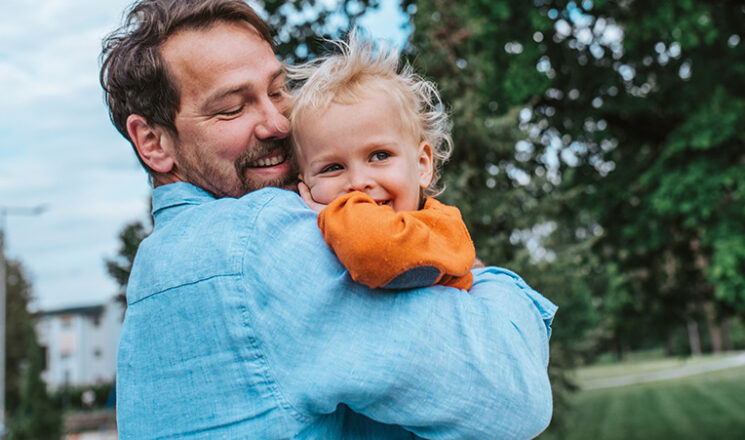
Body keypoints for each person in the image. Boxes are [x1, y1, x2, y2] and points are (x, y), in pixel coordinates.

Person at [100, 0, 557, 438]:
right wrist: (485, 280)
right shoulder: (264, 241)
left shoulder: (156, 270)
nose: (278, 124)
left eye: (278, 91)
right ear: (153, 142)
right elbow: (513, 395)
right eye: (232, 108)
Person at [291, 34, 474, 290]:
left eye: (379, 156)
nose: (358, 182)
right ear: (305, 184)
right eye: (333, 167)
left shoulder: (443, 227)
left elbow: (377, 251)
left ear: (421, 166)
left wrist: (335, 212)